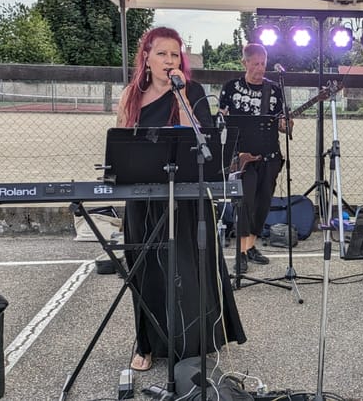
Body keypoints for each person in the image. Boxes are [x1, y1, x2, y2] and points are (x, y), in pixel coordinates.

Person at [117, 26, 246, 371]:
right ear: (146, 57)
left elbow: (202, 141)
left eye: (175, 54)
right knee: (145, 272)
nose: (169, 60)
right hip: (143, 200)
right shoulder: (131, 95)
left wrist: (180, 96)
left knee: (187, 270)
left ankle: (192, 343)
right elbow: (121, 143)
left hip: (186, 198)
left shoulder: (193, 91)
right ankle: (147, 345)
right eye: (162, 53)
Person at [218, 43, 289, 272]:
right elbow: (221, 123)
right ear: (245, 63)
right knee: (244, 202)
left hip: (270, 154)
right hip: (242, 157)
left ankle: (251, 246)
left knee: (262, 202)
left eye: (263, 63)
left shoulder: (275, 90)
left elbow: (281, 124)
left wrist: (285, 125)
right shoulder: (230, 88)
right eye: (256, 63)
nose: (260, 68)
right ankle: (240, 251)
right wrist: (232, 153)